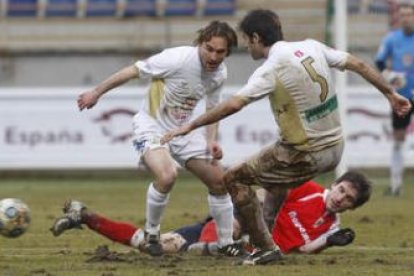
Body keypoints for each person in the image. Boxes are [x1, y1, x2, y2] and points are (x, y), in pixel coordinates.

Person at [161, 9, 411, 265]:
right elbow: (357, 64)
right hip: (335, 149)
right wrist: (390, 94)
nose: (247, 46)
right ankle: (264, 231)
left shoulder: (271, 68)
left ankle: (264, 246)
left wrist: (190, 126)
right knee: (277, 179)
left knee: (233, 178)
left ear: (257, 38)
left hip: (305, 151)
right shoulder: (312, 46)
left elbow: (234, 105)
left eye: (247, 40)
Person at [74, 21, 241, 257]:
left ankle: (225, 244)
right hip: (151, 125)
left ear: (228, 52)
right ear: (200, 44)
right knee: (167, 175)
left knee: (219, 181)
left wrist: (211, 141)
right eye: (209, 48)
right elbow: (132, 71)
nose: (213, 56)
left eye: (220, 52)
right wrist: (96, 92)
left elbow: (213, 110)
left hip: (183, 131)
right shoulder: (177, 59)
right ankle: (152, 234)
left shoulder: (219, 74)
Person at [49, 171, 371, 256]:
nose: (340, 199)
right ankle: (212, 246)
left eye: (348, 200)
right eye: (342, 191)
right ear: (336, 184)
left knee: (154, 246)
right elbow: (263, 192)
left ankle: (85, 216)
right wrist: (253, 220)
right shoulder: (308, 188)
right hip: (235, 227)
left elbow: (303, 249)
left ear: (352, 208)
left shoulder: (331, 228)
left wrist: (330, 243)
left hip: (246, 247)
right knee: (230, 228)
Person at [375, 3, 414, 197]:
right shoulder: (392, 39)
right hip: (402, 97)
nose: (406, 18)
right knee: (398, 139)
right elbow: (380, 62)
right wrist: (389, 75)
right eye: (403, 15)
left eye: (409, 15)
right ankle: (396, 185)